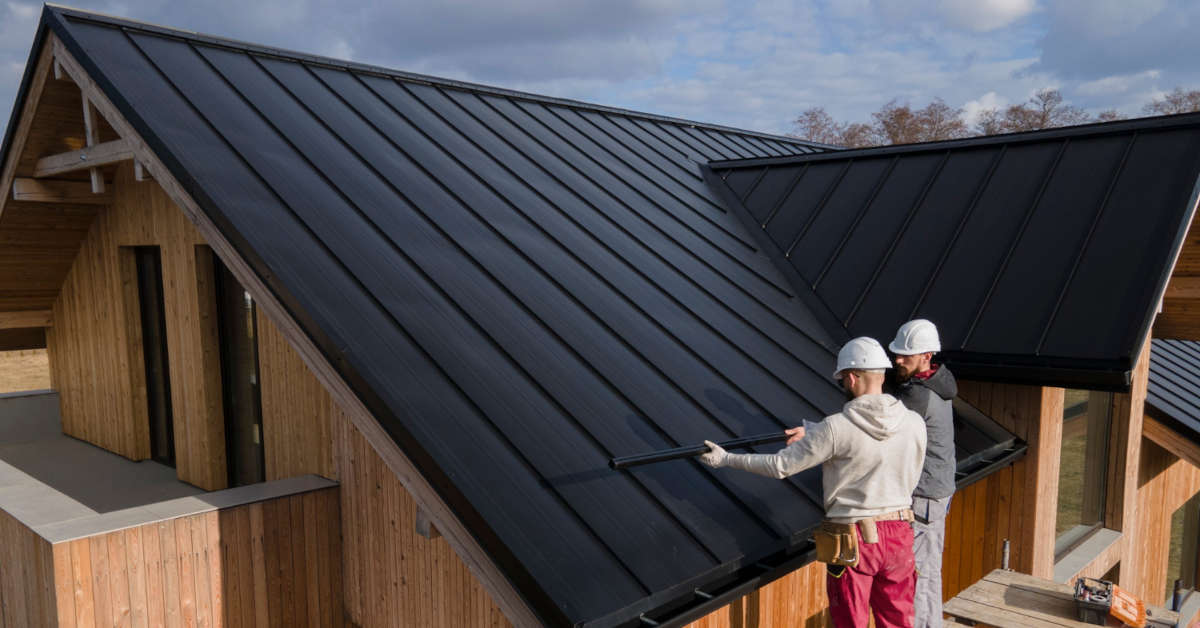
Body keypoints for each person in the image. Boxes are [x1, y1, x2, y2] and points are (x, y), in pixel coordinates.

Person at [700, 337, 927, 628]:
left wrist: (726, 458)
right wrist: (813, 433)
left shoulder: (835, 428)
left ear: (852, 377)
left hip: (854, 539)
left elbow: (780, 466)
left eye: (843, 380)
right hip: (900, 533)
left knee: (851, 622)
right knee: (899, 621)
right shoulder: (914, 423)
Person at [888, 319, 956, 628]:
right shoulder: (937, 383)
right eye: (896, 354)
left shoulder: (918, 396)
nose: (897, 360)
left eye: (906, 355)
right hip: (935, 494)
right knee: (927, 572)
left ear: (926, 356)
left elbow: (883, 424)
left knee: (921, 576)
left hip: (925, 498)